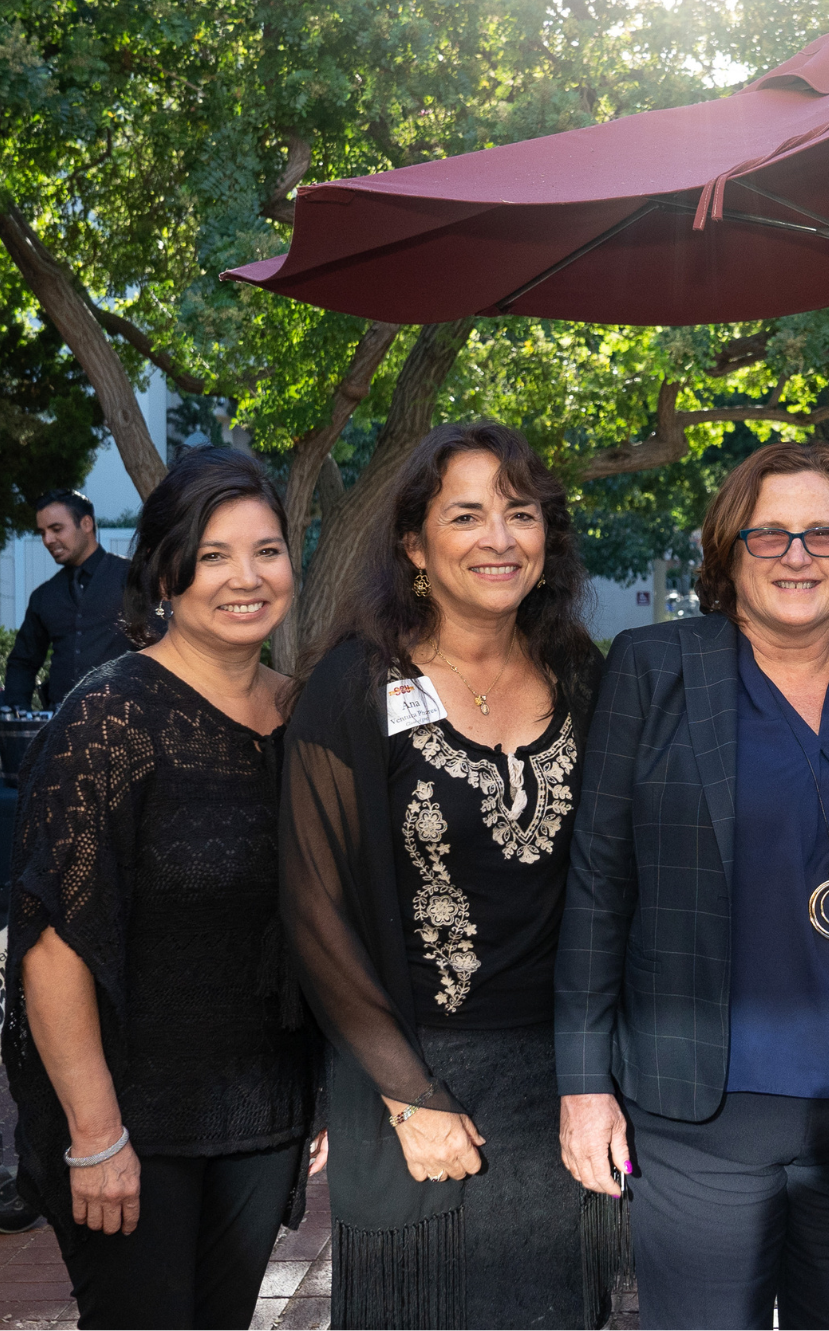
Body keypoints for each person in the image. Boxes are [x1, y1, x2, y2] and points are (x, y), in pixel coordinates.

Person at [558, 440, 829, 1331]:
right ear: (726, 551)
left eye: (825, 534)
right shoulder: (653, 667)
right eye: (769, 534)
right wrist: (583, 1084)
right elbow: (598, 878)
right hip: (704, 1108)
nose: (797, 555)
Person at [281, 422, 610, 1328]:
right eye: (467, 515)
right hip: (421, 1077)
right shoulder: (354, 682)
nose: (500, 538)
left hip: (563, 1082)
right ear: (414, 544)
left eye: (522, 513)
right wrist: (408, 1095)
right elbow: (313, 906)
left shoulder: (583, 674)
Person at [3, 448, 316, 1330]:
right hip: (133, 1119)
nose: (246, 578)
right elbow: (55, 941)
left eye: (267, 550)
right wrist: (96, 1135)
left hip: (263, 1110)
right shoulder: (109, 719)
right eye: (214, 555)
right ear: (166, 573)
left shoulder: (307, 717)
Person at [4, 489, 133, 711]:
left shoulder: (133, 578)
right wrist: (17, 713)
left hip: (126, 718)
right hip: (62, 725)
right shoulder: (44, 595)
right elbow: (23, 662)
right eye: (42, 532)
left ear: (86, 523)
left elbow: (164, 642)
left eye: (56, 529)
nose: (47, 540)